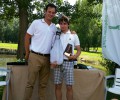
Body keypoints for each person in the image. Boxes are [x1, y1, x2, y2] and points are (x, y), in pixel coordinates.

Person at [24, 3, 57, 100]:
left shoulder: (54, 27)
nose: (51, 14)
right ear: (45, 12)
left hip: (47, 58)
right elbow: (27, 37)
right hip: (35, 57)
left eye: (53, 13)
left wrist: (72, 32)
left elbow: (58, 41)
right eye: (49, 12)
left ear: (55, 14)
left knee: (43, 85)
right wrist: (27, 52)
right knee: (30, 83)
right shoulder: (36, 23)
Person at [52, 15, 81, 100]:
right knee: (57, 86)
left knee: (69, 87)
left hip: (68, 63)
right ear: (59, 25)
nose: (63, 25)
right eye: (61, 23)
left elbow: (79, 50)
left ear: (68, 24)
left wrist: (74, 56)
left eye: (65, 23)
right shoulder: (56, 35)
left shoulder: (73, 35)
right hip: (57, 63)